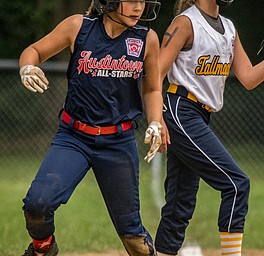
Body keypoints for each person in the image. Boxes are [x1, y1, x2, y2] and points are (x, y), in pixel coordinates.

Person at [19, 0, 163, 255]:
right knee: (37, 205)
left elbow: (151, 88)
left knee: (134, 240)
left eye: (143, 1)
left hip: (118, 142)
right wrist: (27, 66)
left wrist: (155, 122)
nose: (139, 7)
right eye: (132, 0)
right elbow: (34, 50)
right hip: (74, 137)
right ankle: (44, 248)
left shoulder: (146, 38)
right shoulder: (79, 26)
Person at [154, 0, 264, 255]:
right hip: (180, 109)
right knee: (236, 184)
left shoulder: (229, 28)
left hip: (199, 115)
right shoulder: (186, 23)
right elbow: (156, 73)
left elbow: (248, 78)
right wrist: (157, 119)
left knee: (181, 202)